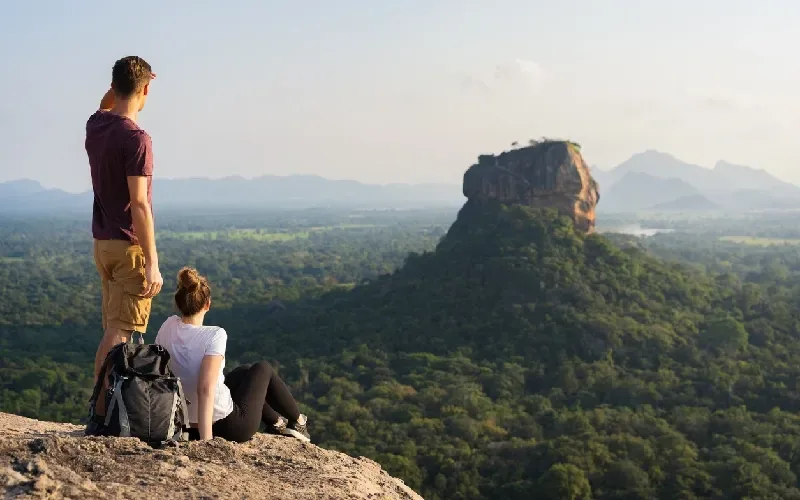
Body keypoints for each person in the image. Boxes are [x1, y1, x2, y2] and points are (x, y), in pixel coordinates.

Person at [86, 56, 163, 419]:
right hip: (127, 246)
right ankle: (100, 415)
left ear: (114, 86)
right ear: (146, 88)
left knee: (113, 328)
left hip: (102, 244)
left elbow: (106, 104)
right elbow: (139, 205)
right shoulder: (137, 139)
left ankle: (104, 409)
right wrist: (153, 263)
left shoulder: (96, 125)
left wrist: (124, 84)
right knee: (119, 333)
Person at [155, 267, 311, 443]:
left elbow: (160, 373)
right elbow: (205, 389)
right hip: (229, 427)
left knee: (245, 372)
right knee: (263, 368)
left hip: (182, 421)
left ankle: (275, 423)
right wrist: (207, 440)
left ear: (179, 303)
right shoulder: (214, 335)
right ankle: (298, 421)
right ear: (207, 304)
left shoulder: (167, 326)